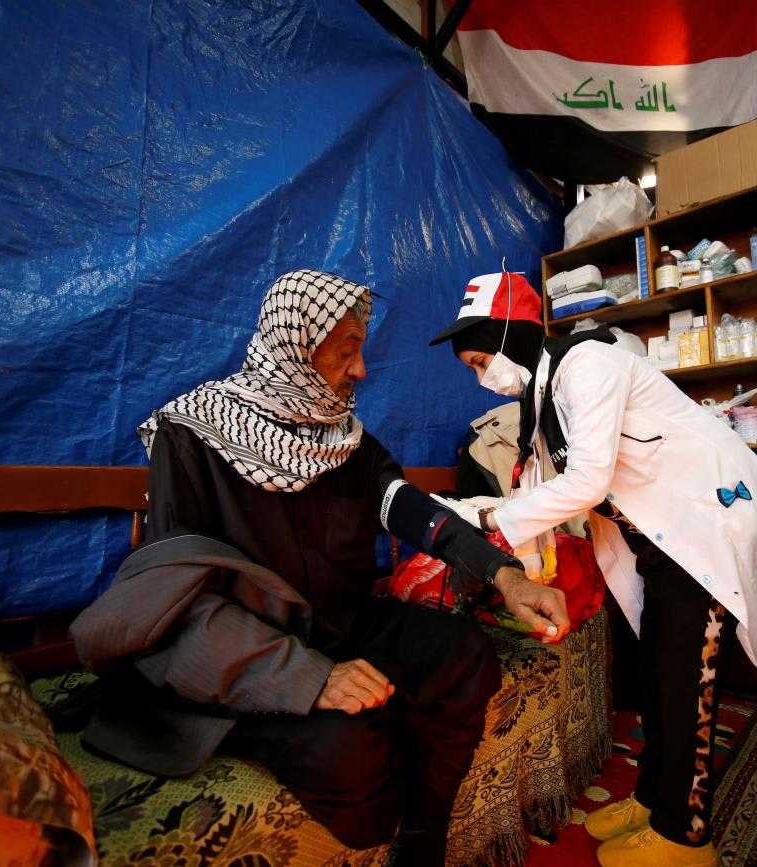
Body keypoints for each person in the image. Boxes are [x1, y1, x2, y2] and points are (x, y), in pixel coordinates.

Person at [72, 269, 569, 867]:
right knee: (355, 754)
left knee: (464, 655)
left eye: (361, 350)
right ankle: (264, 726)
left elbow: (405, 507)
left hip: (342, 625)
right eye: (348, 350)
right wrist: (307, 678)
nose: (360, 370)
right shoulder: (194, 434)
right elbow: (182, 599)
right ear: (297, 347)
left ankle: (423, 844)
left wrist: (502, 574)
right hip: (245, 645)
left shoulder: (347, 439)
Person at [430, 271, 757, 867]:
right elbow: (529, 497)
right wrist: (476, 527)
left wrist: (489, 525)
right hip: (663, 547)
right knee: (659, 677)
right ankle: (652, 799)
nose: (482, 377)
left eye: (482, 360)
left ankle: (686, 837)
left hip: (707, 530)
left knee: (687, 686)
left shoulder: (586, 365)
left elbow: (585, 481)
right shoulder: (542, 401)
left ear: (512, 334)